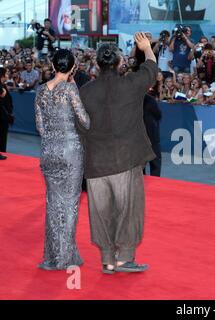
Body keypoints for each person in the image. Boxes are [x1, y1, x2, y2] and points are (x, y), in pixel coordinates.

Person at [78, 33, 158, 274]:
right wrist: (146, 48)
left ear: (97, 64)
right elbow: (152, 68)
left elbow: (79, 126)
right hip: (126, 159)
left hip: (96, 163)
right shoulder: (131, 84)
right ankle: (124, 259)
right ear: (119, 62)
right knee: (128, 209)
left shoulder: (86, 91)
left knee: (101, 213)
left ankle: (108, 260)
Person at [34, 49, 90, 270]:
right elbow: (85, 121)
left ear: (54, 65)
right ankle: (63, 257)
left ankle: (54, 255)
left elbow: (40, 127)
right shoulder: (70, 90)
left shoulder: (40, 91)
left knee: (52, 204)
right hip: (70, 153)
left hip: (48, 152)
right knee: (69, 206)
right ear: (73, 67)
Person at [143, 92, 162, 176]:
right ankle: (156, 182)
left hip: (138, 137)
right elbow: (158, 115)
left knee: (139, 163)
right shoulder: (150, 99)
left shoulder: (132, 100)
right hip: (151, 136)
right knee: (155, 162)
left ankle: (141, 182)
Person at [0, 68, 14, 159]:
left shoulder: (2, 85)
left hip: (3, 114)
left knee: (2, 133)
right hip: (1, 114)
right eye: (6, 73)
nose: (7, 75)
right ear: (2, 75)